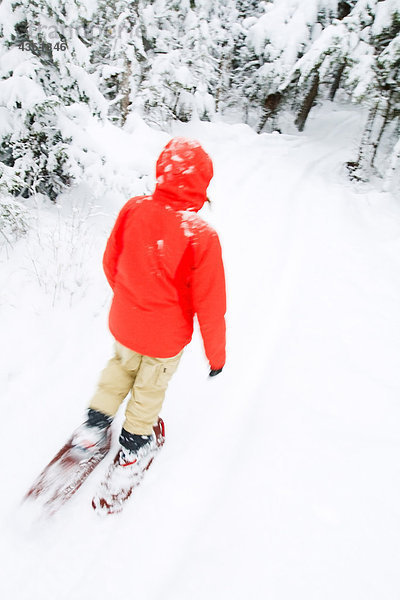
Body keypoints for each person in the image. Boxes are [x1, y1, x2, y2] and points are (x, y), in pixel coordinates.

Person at [73, 137, 226, 467]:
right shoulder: (202, 236)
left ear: (163, 171)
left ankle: (94, 425)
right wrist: (216, 357)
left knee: (119, 369)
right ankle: (134, 443)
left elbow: (110, 261)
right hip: (165, 340)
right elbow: (211, 305)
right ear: (201, 184)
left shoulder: (134, 208)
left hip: (125, 322)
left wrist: (130, 296)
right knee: (149, 387)